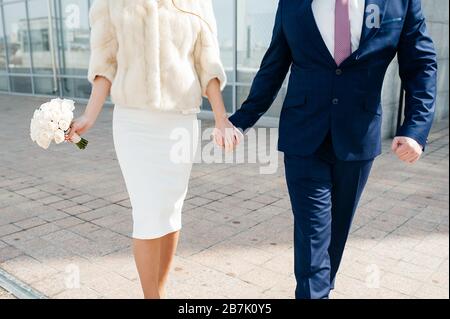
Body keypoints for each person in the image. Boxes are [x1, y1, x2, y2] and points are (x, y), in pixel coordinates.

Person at [229, 0, 437, 299]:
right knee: (313, 236)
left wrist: (415, 129)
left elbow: (420, 64)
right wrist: (241, 120)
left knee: (334, 237)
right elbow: (274, 63)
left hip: (357, 137)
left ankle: (321, 288)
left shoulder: (397, 3)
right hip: (304, 137)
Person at [67, 0, 241, 299]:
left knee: (171, 212)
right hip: (135, 123)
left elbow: (207, 62)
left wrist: (221, 118)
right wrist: (89, 116)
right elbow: (104, 64)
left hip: (181, 123)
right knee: (148, 213)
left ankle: (157, 293)